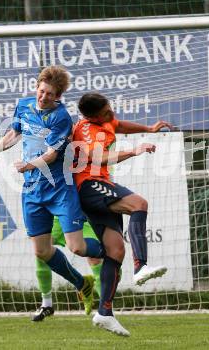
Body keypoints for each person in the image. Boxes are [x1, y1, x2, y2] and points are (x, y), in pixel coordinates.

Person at [0, 66, 104, 317]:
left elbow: (53, 154)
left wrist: (28, 165)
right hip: (33, 191)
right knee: (41, 251)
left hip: (59, 189)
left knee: (76, 247)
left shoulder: (61, 117)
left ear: (58, 96)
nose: (43, 97)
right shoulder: (24, 105)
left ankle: (111, 250)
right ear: (37, 86)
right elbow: (13, 135)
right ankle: (82, 284)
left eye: (49, 94)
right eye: (41, 91)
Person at [72, 92, 173, 336]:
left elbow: (119, 125)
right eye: (106, 112)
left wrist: (148, 128)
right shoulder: (87, 131)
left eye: (110, 109)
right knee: (139, 204)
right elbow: (99, 158)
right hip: (88, 184)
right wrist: (134, 151)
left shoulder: (105, 120)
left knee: (116, 250)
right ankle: (141, 267)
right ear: (94, 117)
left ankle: (104, 313)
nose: (112, 114)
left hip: (98, 187)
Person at [33, 216, 102, 321]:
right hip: (56, 210)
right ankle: (46, 303)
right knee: (42, 248)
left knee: (94, 257)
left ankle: (105, 310)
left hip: (82, 211)